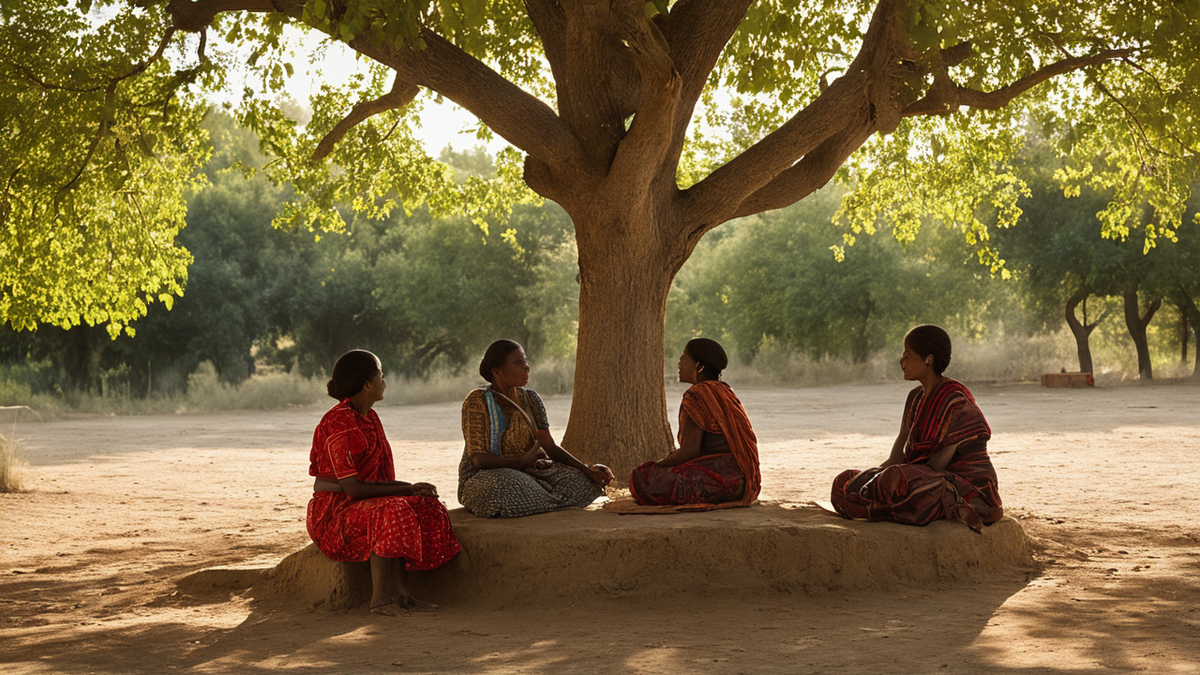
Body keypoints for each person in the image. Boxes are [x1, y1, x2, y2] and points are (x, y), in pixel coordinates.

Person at [307, 350, 461, 616]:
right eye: (381, 375)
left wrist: (413, 490)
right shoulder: (339, 422)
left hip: (362, 503)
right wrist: (407, 487)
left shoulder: (370, 417)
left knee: (426, 506)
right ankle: (380, 598)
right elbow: (354, 489)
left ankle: (402, 593)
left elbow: (381, 482)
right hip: (334, 512)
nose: (385, 381)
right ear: (367, 384)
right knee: (394, 509)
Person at [829, 325, 1003, 532]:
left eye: (907, 356)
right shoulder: (914, 398)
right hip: (918, 475)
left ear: (928, 359)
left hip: (961, 487)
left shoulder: (954, 400)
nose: (901, 362)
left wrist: (891, 479)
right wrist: (872, 477)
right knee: (846, 482)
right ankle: (878, 502)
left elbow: (936, 467)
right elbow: (896, 457)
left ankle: (875, 505)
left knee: (904, 482)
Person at [458, 339, 613, 517]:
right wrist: (519, 462)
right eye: (518, 363)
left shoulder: (531, 398)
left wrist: (587, 470)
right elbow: (478, 459)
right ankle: (549, 499)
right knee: (503, 488)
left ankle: (538, 500)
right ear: (496, 371)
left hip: (531, 473)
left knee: (583, 482)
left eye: (525, 361)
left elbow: (549, 445)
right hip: (489, 476)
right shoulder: (478, 400)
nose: (526, 367)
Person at [627, 338, 761, 509]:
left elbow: (690, 451)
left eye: (684, 357)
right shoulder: (726, 391)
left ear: (700, 366)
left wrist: (657, 466)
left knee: (641, 477)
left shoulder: (696, 395)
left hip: (716, 482)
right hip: (743, 484)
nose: (679, 362)